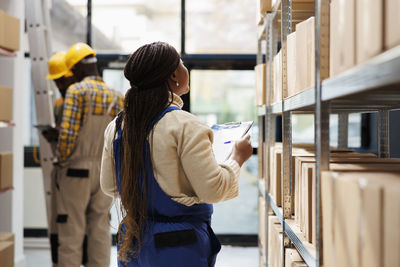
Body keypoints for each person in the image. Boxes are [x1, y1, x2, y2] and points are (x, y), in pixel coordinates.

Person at [100, 42, 253, 267]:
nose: (185, 68)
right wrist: (237, 158)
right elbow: (213, 189)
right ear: (174, 75)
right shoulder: (185, 125)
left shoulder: (117, 126)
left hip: (135, 243)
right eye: (181, 63)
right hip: (178, 246)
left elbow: (110, 186)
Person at [54, 42, 124, 267]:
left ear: (76, 69)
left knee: (71, 229)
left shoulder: (76, 92)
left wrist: (61, 161)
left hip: (76, 171)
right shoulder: (116, 96)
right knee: (100, 230)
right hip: (105, 172)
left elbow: (68, 135)